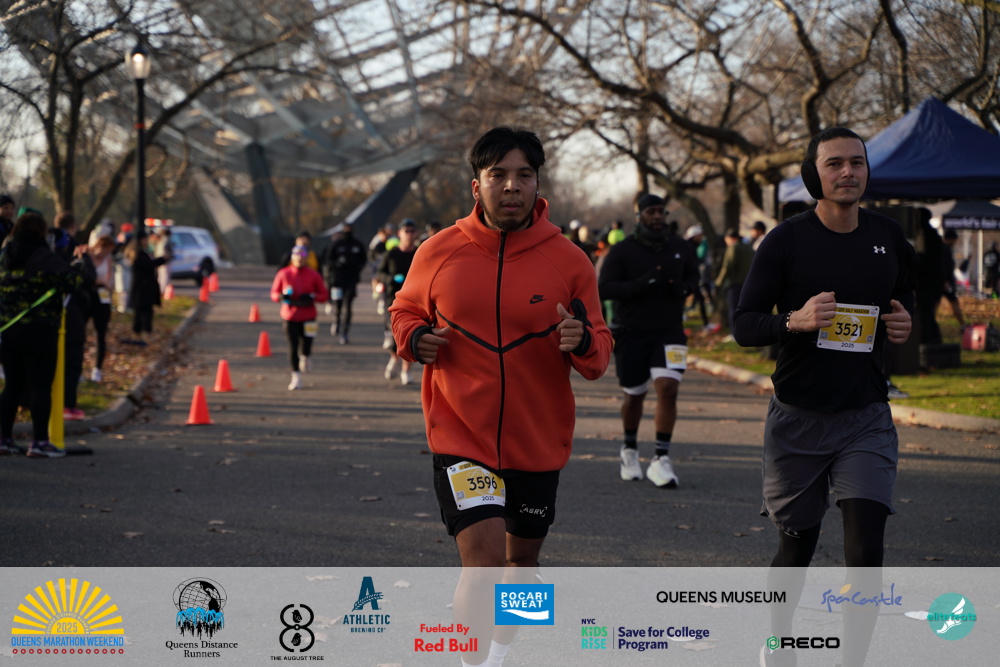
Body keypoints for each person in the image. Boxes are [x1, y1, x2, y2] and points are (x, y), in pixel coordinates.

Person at [389, 126, 612, 667]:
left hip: (537, 441)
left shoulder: (570, 261)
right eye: (499, 175)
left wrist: (582, 339)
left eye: (523, 175)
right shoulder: (438, 251)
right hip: (461, 435)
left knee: (522, 568)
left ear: (537, 184)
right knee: (484, 564)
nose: (511, 186)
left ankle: (500, 655)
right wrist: (414, 338)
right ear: (477, 186)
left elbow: (599, 354)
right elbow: (405, 309)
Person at [732, 127, 915, 667]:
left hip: (866, 417)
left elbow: (903, 294)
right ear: (814, 174)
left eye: (857, 162)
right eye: (834, 163)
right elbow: (743, 324)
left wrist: (904, 321)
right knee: (796, 549)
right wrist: (795, 320)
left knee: (865, 552)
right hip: (798, 419)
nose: (848, 172)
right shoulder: (786, 240)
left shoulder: (888, 235)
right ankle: (779, 645)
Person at [598, 193, 699, 488]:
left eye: (660, 212)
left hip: (670, 331)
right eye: (651, 212)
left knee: (668, 389)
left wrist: (682, 288)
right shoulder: (623, 250)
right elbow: (604, 288)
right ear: (639, 216)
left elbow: (694, 278)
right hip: (632, 331)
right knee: (634, 395)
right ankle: (629, 449)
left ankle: (661, 458)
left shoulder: (679, 247)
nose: (657, 217)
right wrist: (639, 285)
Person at [0, 210, 85, 457]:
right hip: (39, 329)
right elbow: (72, 282)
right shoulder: (43, 256)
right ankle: (39, 442)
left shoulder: (5, 255)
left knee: (12, 385)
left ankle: (4, 439)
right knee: (40, 386)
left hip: (8, 329)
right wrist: (78, 264)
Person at [51, 212, 96, 421]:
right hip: (71, 315)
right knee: (71, 362)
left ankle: (46, 402)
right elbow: (88, 278)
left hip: (49, 317)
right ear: (73, 226)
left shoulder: (44, 251)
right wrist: (83, 259)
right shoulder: (74, 253)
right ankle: (67, 405)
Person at [270, 245, 328, 390]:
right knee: (293, 346)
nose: (299, 259)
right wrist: (281, 296)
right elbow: (273, 293)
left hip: (309, 316)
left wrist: (312, 296)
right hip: (289, 315)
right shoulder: (283, 273)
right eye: (297, 256)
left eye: (302, 256)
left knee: (307, 343)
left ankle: (306, 356)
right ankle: (296, 376)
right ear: (292, 258)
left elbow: (324, 295)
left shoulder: (313, 275)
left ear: (306, 258)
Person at [377, 218, 419, 384]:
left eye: (412, 231)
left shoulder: (420, 253)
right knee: (395, 335)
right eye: (406, 231)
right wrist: (390, 279)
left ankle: (406, 371)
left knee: (410, 336)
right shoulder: (391, 254)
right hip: (392, 301)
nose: (409, 234)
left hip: (414, 301)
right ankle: (394, 357)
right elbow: (380, 273)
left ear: (416, 234)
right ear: (399, 233)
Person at [320, 222, 367, 344]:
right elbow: (328, 258)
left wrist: (357, 267)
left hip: (351, 280)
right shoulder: (337, 244)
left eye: (349, 228)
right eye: (345, 228)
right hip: (337, 281)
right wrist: (337, 264)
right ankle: (336, 321)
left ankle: (345, 332)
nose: (347, 230)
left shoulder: (357, 244)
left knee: (348, 306)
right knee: (338, 305)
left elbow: (363, 259)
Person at [123, 233, 167, 346]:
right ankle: (143, 334)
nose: (147, 241)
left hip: (143, 288)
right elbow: (148, 264)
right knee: (144, 312)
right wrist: (162, 259)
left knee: (141, 312)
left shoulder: (143, 252)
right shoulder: (138, 254)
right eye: (145, 239)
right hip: (142, 288)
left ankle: (139, 334)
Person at [87, 224, 116, 382]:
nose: (107, 254)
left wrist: (107, 286)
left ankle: (97, 368)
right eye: (106, 250)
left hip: (102, 297)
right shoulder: (88, 256)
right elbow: (88, 276)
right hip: (88, 295)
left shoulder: (108, 260)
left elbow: (109, 280)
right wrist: (100, 282)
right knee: (81, 333)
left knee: (101, 333)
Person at [714, 227, 755, 337]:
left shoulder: (733, 248)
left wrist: (719, 282)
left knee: (734, 309)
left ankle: (734, 333)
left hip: (736, 284)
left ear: (730, 238)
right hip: (749, 283)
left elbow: (728, 266)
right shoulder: (748, 248)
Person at [914, 208, 944, 345]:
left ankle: (928, 340)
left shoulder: (924, 234)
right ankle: (932, 339)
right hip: (932, 281)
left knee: (925, 312)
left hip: (925, 281)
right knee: (927, 312)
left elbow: (922, 259)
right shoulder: (934, 235)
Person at [683, 224, 713, 328]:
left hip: (691, 278)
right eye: (700, 235)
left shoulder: (692, 246)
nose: (701, 238)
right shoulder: (688, 247)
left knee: (699, 299)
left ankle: (705, 323)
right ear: (694, 236)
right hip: (688, 279)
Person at [941, 228, 966, 328]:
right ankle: (963, 325)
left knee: (936, 303)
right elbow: (944, 266)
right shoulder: (945, 250)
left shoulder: (944, 249)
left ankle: (929, 325)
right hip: (946, 282)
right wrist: (945, 281)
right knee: (954, 303)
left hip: (943, 282)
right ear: (951, 239)